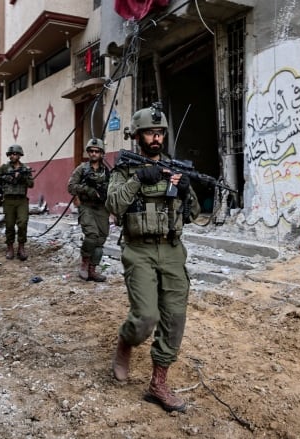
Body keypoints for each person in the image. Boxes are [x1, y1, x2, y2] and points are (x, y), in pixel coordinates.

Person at [105, 103, 200, 413]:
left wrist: (186, 192)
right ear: (138, 137)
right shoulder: (123, 170)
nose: (156, 138)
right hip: (139, 249)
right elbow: (115, 205)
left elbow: (195, 214)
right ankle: (126, 340)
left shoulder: (177, 169)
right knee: (146, 317)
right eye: (150, 133)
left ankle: (158, 383)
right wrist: (138, 180)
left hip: (172, 249)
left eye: (159, 132)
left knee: (174, 318)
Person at [67, 138, 111, 282]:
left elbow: (112, 189)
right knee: (91, 236)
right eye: (91, 151)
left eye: (96, 151)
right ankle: (84, 263)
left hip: (102, 208)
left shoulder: (107, 171)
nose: (93, 153)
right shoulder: (82, 169)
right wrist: (87, 190)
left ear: (101, 153)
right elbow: (71, 186)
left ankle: (93, 269)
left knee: (101, 239)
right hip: (86, 206)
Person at [0, 144, 34, 261]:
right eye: (11, 154)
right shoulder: (4, 168)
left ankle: (21, 247)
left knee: (23, 223)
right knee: (9, 225)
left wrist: (22, 177)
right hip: (8, 200)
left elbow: (31, 184)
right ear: (9, 155)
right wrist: (5, 178)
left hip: (21, 200)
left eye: (16, 154)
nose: (13, 156)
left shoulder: (25, 168)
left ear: (20, 155)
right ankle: (10, 247)